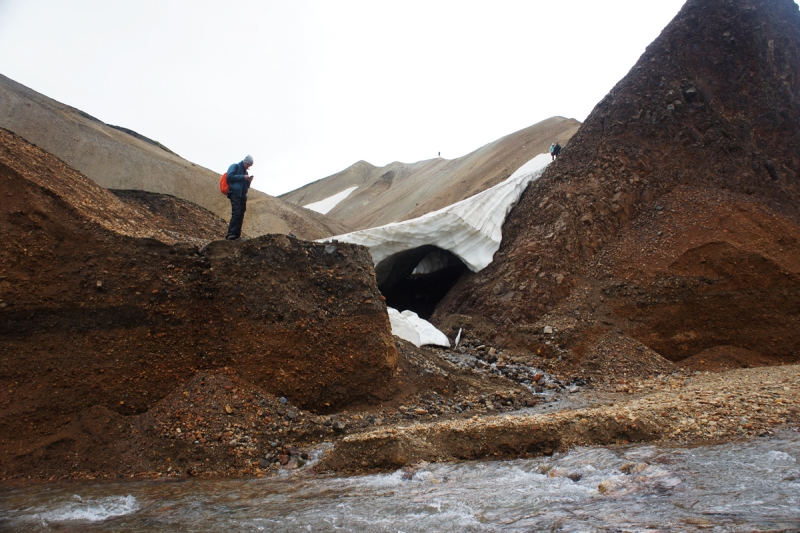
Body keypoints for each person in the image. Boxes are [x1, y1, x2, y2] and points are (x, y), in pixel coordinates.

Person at [225, 155, 254, 240]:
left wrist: (248, 181)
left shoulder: (246, 173)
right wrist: (242, 177)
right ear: (245, 162)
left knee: (241, 214)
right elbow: (229, 176)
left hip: (242, 195)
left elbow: (246, 187)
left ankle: (237, 234)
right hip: (234, 193)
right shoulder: (235, 166)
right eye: (248, 165)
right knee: (236, 212)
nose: (248, 167)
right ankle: (230, 234)